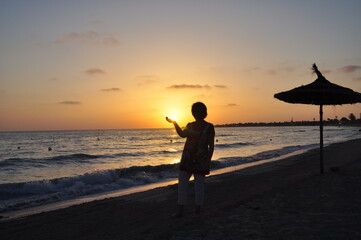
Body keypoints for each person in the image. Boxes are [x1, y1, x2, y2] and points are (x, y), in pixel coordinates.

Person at [166, 102, 215, 217]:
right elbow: (182, 134)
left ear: (204, 112)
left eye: (199, 111)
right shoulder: (190, 125)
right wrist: (174, 123)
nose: (196, 113)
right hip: (187, 160)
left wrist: (207, 161)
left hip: (200, 161)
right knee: (182, 185)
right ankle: (181, 210)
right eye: (195, 111)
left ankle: (198, 210)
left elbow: (211, 146)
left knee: (199, 187)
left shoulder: (209, 127)